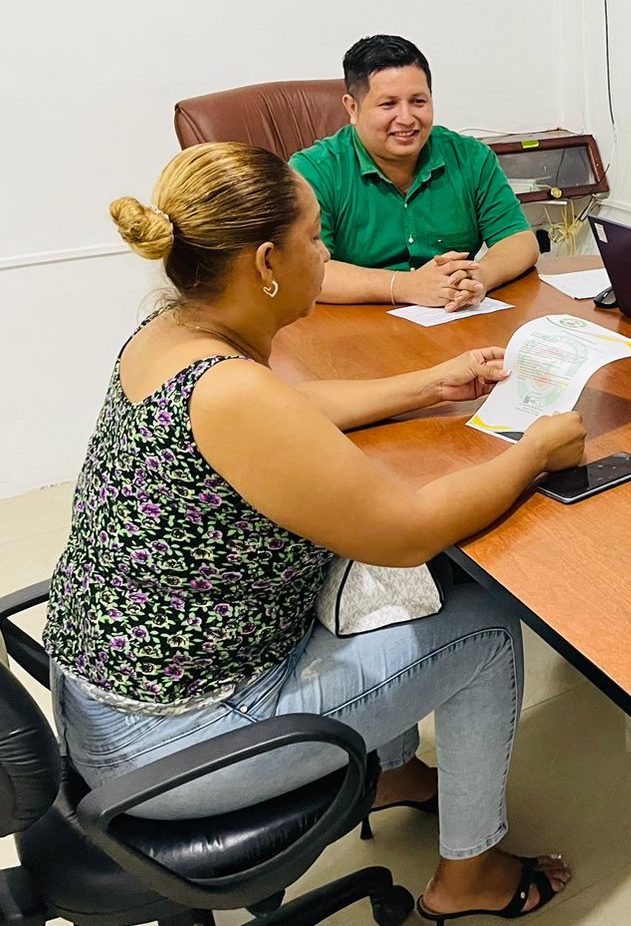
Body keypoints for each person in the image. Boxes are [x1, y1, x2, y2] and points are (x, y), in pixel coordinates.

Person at [44, 142, 582, 919]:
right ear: (267, 262)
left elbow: (282, 413)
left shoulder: (167, 335)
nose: (325, 254)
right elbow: (407, 534)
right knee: (487, 625)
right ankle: (469, 879)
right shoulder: (230, 392)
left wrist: (429, 384)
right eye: (314, 238)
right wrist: (533, 453)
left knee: (385, 588)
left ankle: (390, 773)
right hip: (175, 751)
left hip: (105, 702)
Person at [290, 35, 540, 310]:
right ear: (353, 108)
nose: (406, 119)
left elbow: (519, 240)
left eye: (418, 101)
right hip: (355, 324)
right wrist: (405, 286)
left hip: (454, 318)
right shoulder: (313, 171)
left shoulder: (471, 158)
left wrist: (478, 278)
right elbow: (303, 271)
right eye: (388, 104)